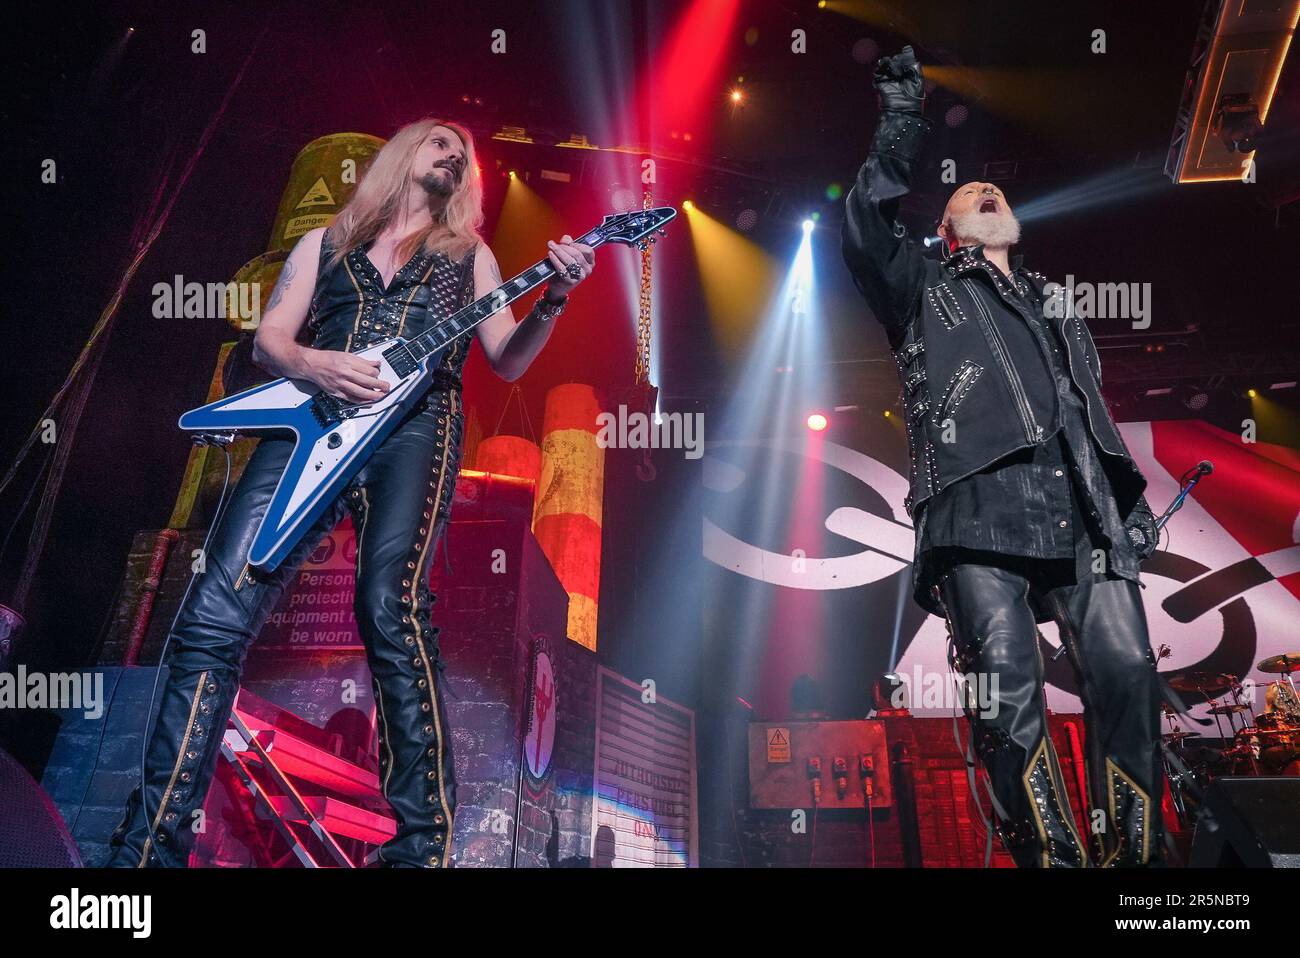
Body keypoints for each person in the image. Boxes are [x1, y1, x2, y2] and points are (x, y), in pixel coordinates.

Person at [107, 118, 595, 868]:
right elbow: (270, 338)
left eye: (464, 151)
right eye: (440, 139)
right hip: (311, 417)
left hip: (417, 426)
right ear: (402, 155)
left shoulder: (472, 256)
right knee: (212, 613)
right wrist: (315, 364)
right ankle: (149, 850)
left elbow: (506, 359)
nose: (455, 151)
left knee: (391, 610)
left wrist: (556, 297)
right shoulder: (326, 243)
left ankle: (420, 851)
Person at [841, 48, 1165, 867]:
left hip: (1082, 505)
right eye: (967, 196)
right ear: (946, 229)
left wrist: (1124, 503)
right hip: (978, 504)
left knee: (1127, 673)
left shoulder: (1058, 306)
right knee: (1008, 688)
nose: (987, 192)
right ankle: (1051, 856)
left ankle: (1132, 862)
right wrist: (901, 119)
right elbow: (866, 224)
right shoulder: (920, 284)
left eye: (998, 192)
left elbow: (1090, 409)